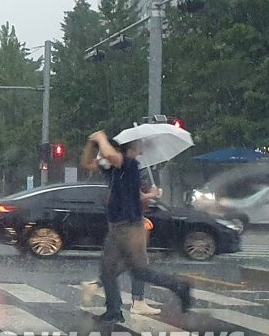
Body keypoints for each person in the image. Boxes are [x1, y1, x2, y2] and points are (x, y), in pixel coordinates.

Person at [80, 130, 191, 323]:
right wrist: (91, 143)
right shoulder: (114, 170)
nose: (140, 151)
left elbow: (110, 155)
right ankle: (114, 311)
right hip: (118, 226)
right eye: (137, 148)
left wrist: (101, 138)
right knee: (109, 270)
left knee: (138, 271)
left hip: (129, 227)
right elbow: (86, 164)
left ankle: (179, 286)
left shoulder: (129, 165)